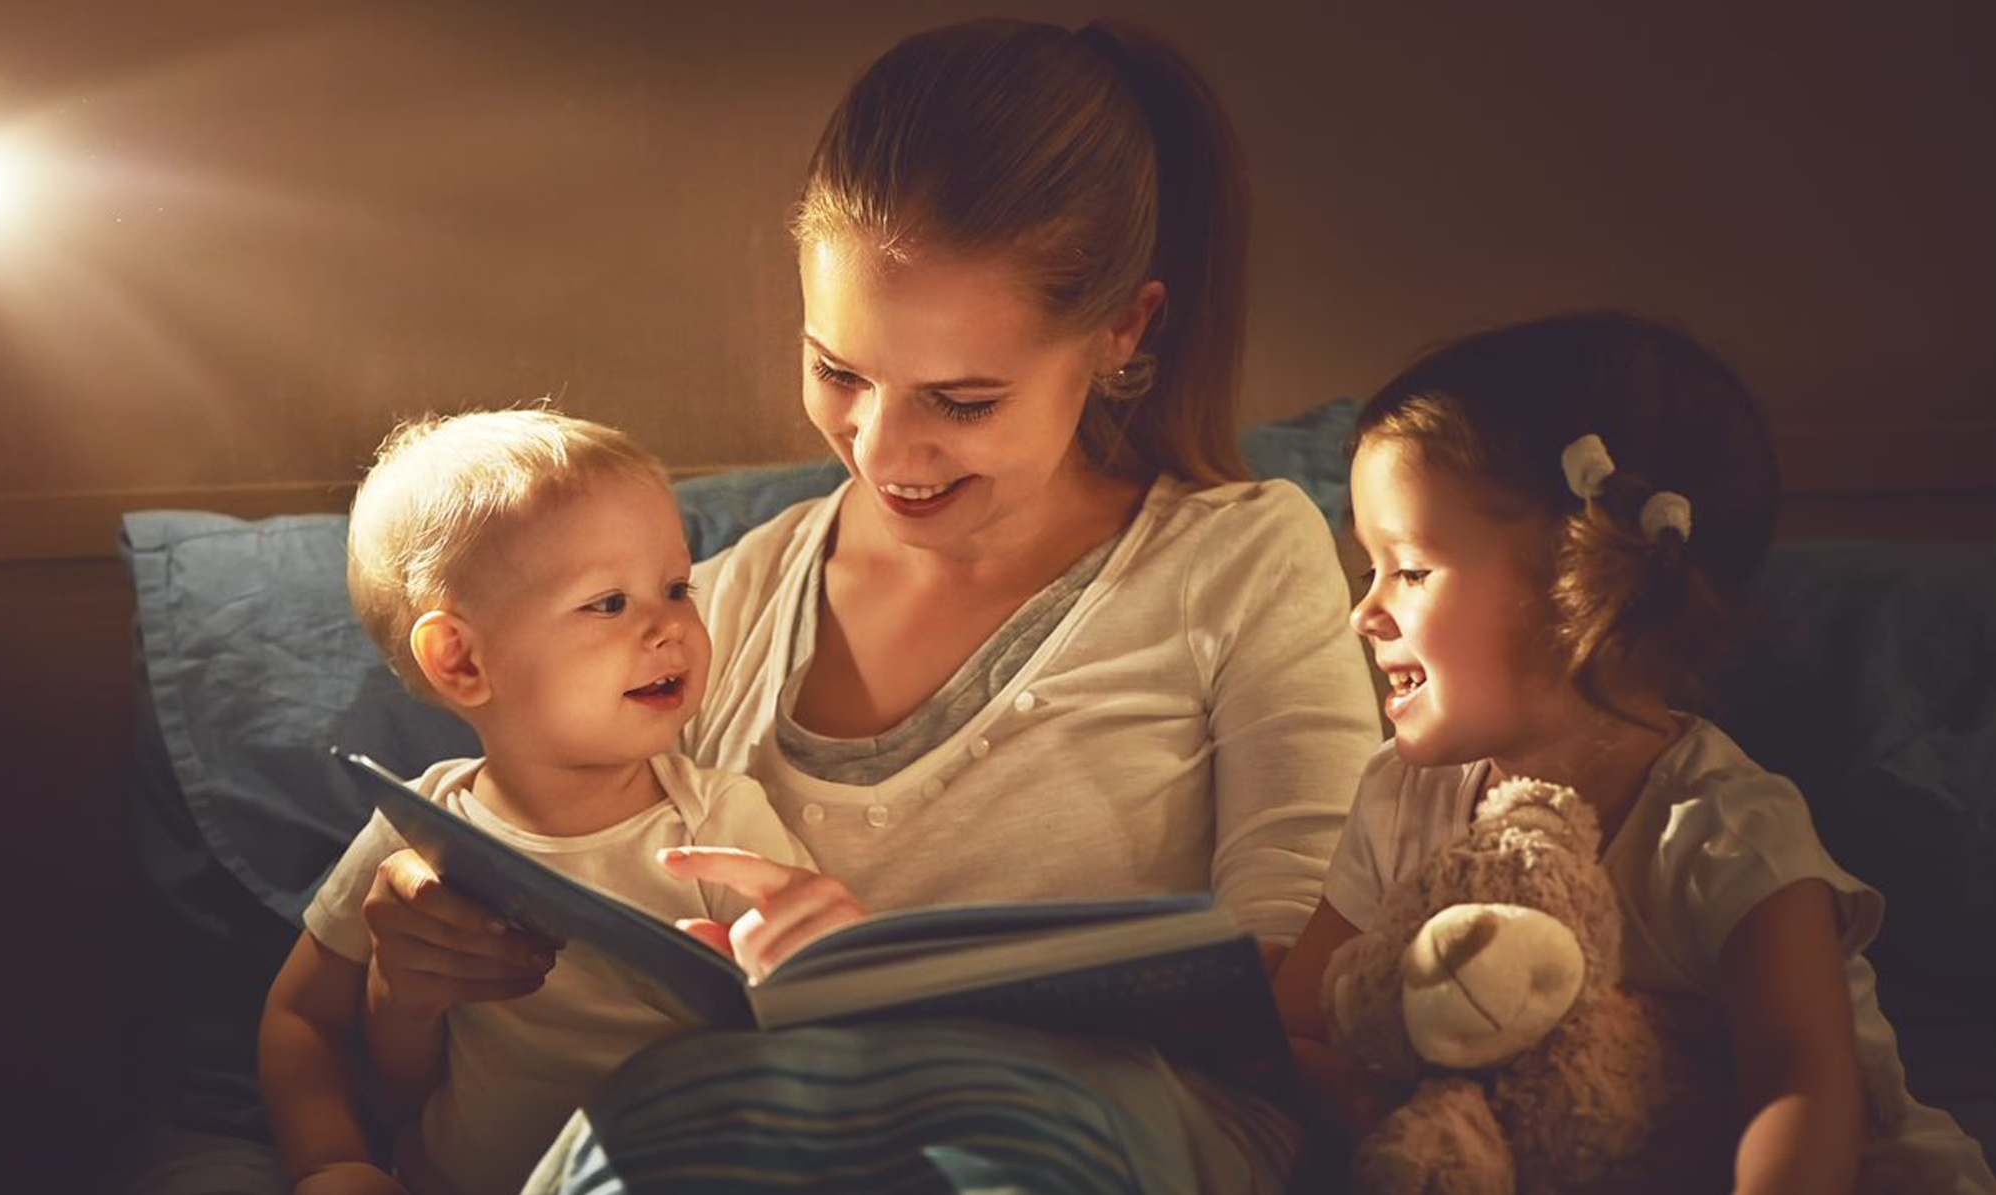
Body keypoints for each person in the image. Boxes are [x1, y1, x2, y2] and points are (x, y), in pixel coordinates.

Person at [365, 17, 1384, 1193]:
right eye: (840, 372)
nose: (882, 448)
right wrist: (424, 952)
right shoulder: (717, 608)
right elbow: (525, 1027)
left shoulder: (1238, 559)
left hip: (1089, 1141)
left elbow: (1309, 992)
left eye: (961, 398)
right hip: (749, 1135)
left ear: (1122, 333)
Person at [1274, 311, 1996, 1194]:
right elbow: (1297, 1021)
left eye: (1411, 570)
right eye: (1365, 568)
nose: (1364, 611)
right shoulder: (1399, 799)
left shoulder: (1724, 829)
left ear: (1577, 583)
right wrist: (1370, 1111)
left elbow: (1801, 1087)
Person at [256, 409, 813, 1195]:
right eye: (607, 602)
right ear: (460, 658)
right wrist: (330, 1160)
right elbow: (301, 1018)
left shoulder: (719, 825)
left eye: (675, 586)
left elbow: (825, 1017)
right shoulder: (418, 828)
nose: (671, 627)